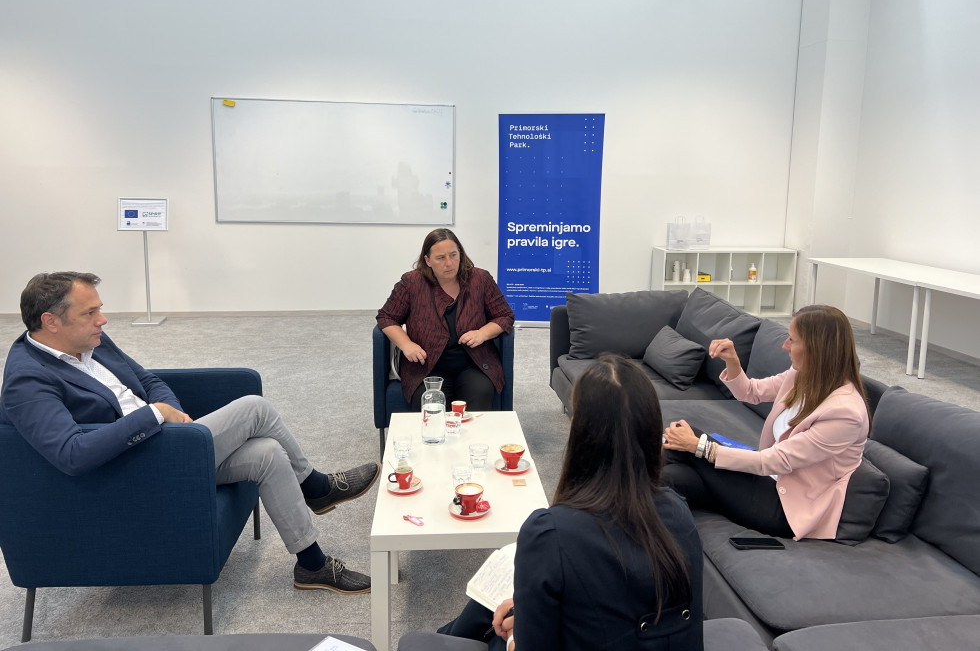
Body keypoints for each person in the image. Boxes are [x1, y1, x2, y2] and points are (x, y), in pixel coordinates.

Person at [0, 272, 380, 594]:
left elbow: (147, 380)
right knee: (255, 408)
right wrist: (153, 417)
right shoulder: (27, 379)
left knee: (267, 453)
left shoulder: (88, 341)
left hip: (169, 445)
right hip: (129, 470)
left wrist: (172, 414)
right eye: (90, 312)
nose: (103, 319)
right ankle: (315, 487)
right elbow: (72, 454)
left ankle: (311, 564)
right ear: (51, 321)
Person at [438, 354, 703, 651]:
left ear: (579, 432)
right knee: (493, 609)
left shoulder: (550, 534)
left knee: (488, 621)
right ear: (654, 432)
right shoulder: (680, 515)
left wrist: (515, 637)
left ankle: (437, 640)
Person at [662, 304, 872, 541]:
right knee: (673, 478)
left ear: (817, 349)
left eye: (792, 340)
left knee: (691, 440)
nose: (785, 346)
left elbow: (778, 460)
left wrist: (700, 447)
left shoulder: (845, 412)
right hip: (765, 479)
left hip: (783, 506)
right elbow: (752, 392)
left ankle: (619, 471)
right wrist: (732, 361)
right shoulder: (801, 375)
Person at [377, 228, 514, 410]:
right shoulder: (411, 283)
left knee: (480, 395)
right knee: (429, 405)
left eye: (453, 255)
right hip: (426, 367)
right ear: (428, 261)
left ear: (460, 254)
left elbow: (505, 315)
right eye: (440, 258)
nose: (449, 263)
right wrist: (406, 344)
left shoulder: (480, 279)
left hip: (474, 363)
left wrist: (483, 333)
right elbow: (386, 316)